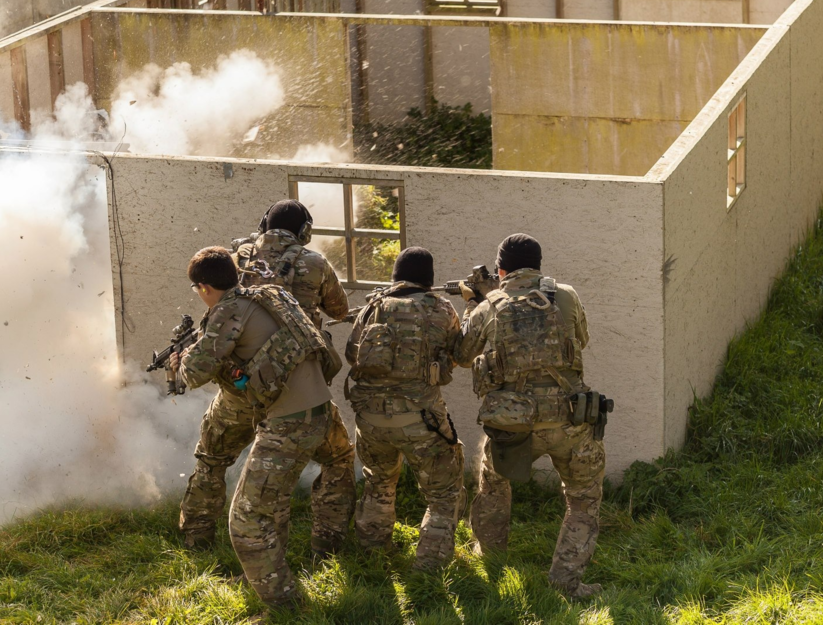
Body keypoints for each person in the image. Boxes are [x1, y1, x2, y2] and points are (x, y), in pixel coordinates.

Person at [175, 246, 354, 607]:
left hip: (291, 424)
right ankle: (276, 571)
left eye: (197, 290)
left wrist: (181, 360)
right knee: (271, 504)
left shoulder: (227, 311)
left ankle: (286, 604)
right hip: (320, 412)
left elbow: (193, 374)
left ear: (205, 287)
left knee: (246, 521)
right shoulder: (270, 294)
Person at [457, 233, 605, 599]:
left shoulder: (489, 304)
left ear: (500, 268)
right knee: (584, 497)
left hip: (512, 424)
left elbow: (462, 355)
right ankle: (566, 583)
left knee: (493, 486)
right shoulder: (565, 295)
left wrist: (474, 302)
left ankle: (492, 562)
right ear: (539, 265)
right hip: (570, 421)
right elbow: (581, 340)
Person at [344, 246, 463, 571]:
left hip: (370, 419)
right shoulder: (441, 309)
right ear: (430, 279)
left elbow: (352, 354)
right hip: (421, 421)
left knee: (378, 483)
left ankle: (371, 554)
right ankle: (429, 568)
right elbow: (460, 355)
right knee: (443, 494)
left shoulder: (372, 308)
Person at [234, 199, 349, 328]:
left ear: (264, 226)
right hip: (299, 346)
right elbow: (339, 311)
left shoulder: (240, 256)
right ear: (305, 231)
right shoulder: (317, 262)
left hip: (246, 344)